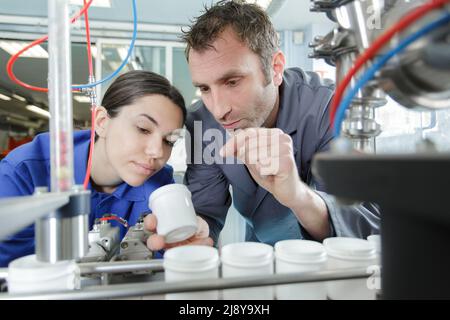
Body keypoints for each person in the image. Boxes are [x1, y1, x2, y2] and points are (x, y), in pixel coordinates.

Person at [145, 0, 380, 250]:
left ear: (275, 68)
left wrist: (297, 195)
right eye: (204, 88)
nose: (219, 110)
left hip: (328, 259)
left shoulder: (328, 108)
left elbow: (364, 225)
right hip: (260, 249)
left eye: (232, 82)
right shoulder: (201, 123)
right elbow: (207, 211)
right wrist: (193, 230)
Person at [0, 70, 195, 267]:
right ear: (102, 122)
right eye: (143, 129)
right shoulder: (23, 173)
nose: (157, 151)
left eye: (169, 141)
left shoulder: (160, 184)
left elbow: (165, 264)